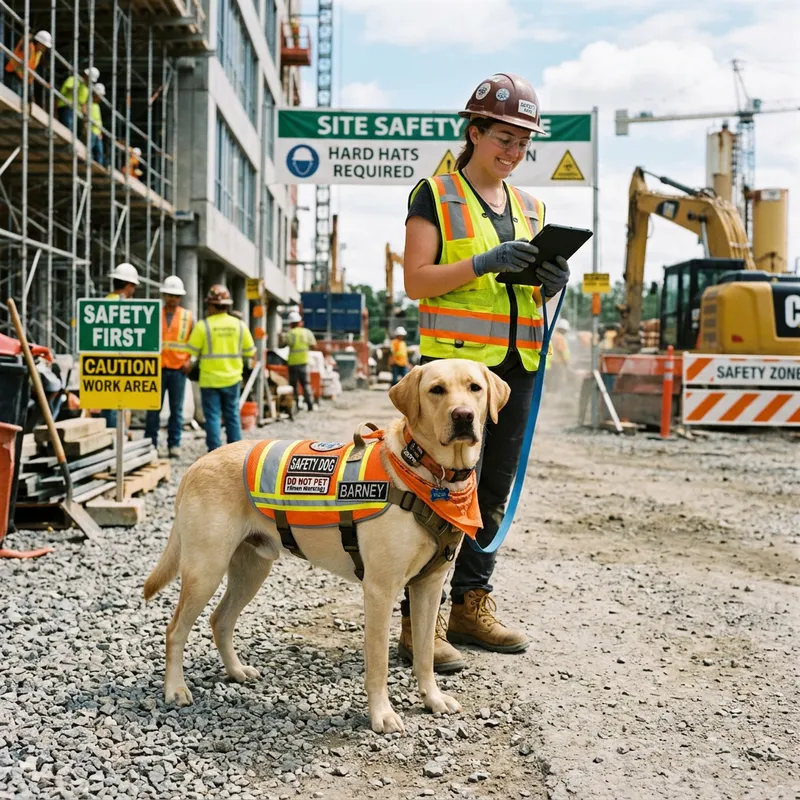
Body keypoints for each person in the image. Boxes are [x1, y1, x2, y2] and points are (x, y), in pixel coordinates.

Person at [400, 73, 571, 672]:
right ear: (474, 132)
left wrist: (552, 284)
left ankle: (472, 602)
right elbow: (416, 281)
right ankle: (421, 619)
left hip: (515, 369)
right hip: (452, 375)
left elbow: (522, 296)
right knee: (436, 488)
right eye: (503, 137)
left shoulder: (532, 207)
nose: (513, 152)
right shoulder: (435, 194)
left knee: (492, 491)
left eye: (524, 143)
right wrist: (481, 261)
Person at [183, 284, 255, 452]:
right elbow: (251, 352)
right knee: (232, 417)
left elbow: (191, 354)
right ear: (227, 305)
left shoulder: (203, 326)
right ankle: (236, 452)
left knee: (213, 418)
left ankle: (215, 453)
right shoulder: (239, 325)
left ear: (212, 305)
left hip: (209, 380)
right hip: (232, 379)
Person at [145, 275, 193, 458]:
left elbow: (194, 342)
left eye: (175, 295)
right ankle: (151, 443)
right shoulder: (154, 313)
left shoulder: (187, 317)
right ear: (164, 295)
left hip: (178, 369)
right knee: (152, 409)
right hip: (156, 369)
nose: (172, 298)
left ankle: (174, 444)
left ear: (180, 297)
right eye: (169, 294)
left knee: (176, 410)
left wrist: (191, 360)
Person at [99, 262, 139, 430]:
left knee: (107, 402)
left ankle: (110, 435)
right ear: (128, 285)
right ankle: (118, 434)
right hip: (122, 361)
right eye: (134, 286)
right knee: (120, 401)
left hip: (103, 362)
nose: (134, 290)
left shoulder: (102, 303)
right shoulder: (128, 306)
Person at [281, 310, 317, 412]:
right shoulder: (307, 332)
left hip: (292, 363)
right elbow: (314, 346)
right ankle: (310, 405)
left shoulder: (289, 334)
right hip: (304, 363)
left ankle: (295, 406)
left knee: (293, 385)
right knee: (306, 384)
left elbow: (282, 345)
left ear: (290, 323)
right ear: (299, 322)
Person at [4, 30, 51, 98]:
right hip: (13, 74)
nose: (45, 48)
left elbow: (31, 68)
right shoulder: (29, 47)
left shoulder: (38, 54)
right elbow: (24, 42)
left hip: (21, 78)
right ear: (39, 43)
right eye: (44, 46)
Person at [57, 66, 98, 131]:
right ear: (85, 75)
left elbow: (83, 104)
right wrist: (79, 85)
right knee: (68, 128)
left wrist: (85, 115)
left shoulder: (86, 89)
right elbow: (69, 89)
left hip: (77, 112)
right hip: (67, 107)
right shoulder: (74, 79)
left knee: (74, 132)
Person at [88, 82, 105, 166]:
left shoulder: (96, 106)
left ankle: (99, 166)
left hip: (97, 132)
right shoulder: (88, 103)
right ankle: (88, 162)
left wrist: (100, 132)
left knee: (99, 152)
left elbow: (98, 120)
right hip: (91, 130)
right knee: (90, 149)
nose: (101, 98)